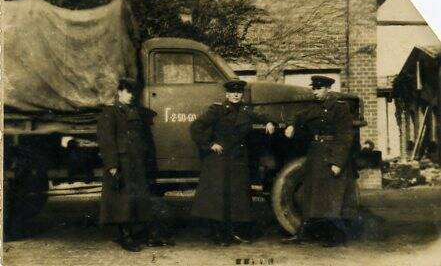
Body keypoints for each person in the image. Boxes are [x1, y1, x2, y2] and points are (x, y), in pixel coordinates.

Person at [190, 80, 275, 246]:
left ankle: (233, 232)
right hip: (219, 160)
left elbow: (262, 116)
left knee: (237, 198)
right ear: (227, 94)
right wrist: (209, 145)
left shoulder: (245, 110)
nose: (236, 95)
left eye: (239, 92)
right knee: (219, 198)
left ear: (242, 94)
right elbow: (196, 127)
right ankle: (218, 234)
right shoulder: (217, 110)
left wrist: (270, 122)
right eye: (232, 92)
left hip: (238, 159)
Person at [97, 78, 173, 252]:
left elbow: (144, 139)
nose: (131, 95)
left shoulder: (136, 112)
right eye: (127, 91)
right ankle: (125, 236)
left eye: (133, 92)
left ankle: (140, 233)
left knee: (138, 199)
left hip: (137, 162)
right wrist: (112, 165)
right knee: (121, 201)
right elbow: (107, 141)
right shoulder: (110, 113)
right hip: (122, 163)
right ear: (120, 92)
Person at [281, 75, 358, 247]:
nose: (315, 92)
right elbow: (298, 116)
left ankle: (336, 236)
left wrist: (337, 162)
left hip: (331, 154)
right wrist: (291, 124)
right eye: (314, 89)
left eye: (318, 89)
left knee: (331, 197)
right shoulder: (314, 107)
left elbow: (345, 136)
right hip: (316, 154)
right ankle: (304, 233)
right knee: (309, 195)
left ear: (328, 89)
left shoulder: (340, 108)